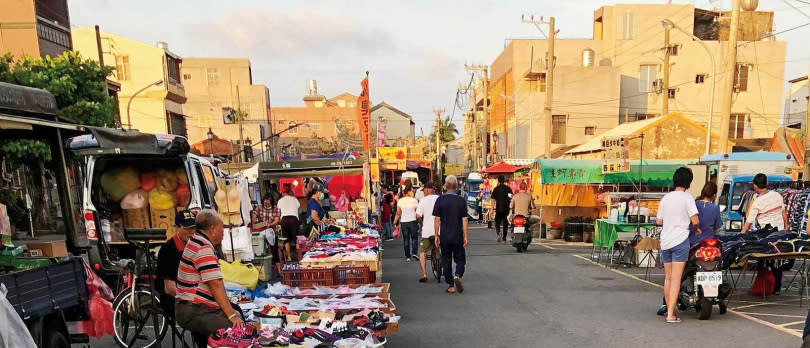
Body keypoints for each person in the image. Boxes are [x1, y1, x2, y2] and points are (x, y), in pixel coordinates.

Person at [175, 210, 244, 347]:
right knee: (235, 330)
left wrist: (232, 310)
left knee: (237, 311)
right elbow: (215, 284)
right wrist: (231, 314)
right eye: (221, 229)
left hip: (197, 307)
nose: (223, 234)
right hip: (193, 310)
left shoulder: (197, 240)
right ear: (212, 230)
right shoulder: (203, 247)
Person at [656, 167, 700, 323]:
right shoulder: (687, 198)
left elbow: (659, 221)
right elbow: (695, 221)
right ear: (688, 182)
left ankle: (669, 310)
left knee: (668, 278)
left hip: (665, 241)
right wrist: (696, 228)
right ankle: (670, 315)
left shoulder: (666, 198)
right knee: (676, 279)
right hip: (680, 241)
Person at [741, 173, 791, 295]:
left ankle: (765, 286)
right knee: (777, 259)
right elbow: (783, 211)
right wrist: (786, 226)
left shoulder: (757, 201)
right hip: (780, 233)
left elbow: (749, 221)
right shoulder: (777, 195)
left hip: (767, 235)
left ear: (755, 186)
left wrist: (742, 234)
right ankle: (776, 287)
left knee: (764, 260)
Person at [156, 210, 197, 322]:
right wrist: (194, 299)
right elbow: (170, 289)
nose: (192, 232)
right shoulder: (168, 250)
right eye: (188, 228)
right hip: (174, 299)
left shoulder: (195, 246)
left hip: (193, 293)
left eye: (194, 228)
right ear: (176, 228)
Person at [433, 175, 469, 294]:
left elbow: (437, 219)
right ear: (456, 186)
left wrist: (436, 235)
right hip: (457, 235)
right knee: (460, 259)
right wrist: (465, 236)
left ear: (445, 186)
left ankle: (450, 285)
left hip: (445, 235)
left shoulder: (440, 200)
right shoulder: (461, 201)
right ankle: (457, 275)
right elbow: (464, 220)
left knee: (446, 260)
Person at [416, 182, 439, 282]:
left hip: (427, 231)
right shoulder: (439, 198)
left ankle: (424, 274)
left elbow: (417, 216)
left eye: (424, 190)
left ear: (427, 190)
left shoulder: (423, 201)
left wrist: (421, 225)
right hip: (440, 230)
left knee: (422, 252)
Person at [252, 195, 281, 274]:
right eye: (265, 203)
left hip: (272, 231)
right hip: (261, 231)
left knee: (274, 251)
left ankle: (279, 270)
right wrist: (255, 222)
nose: (266, 204)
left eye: (268, 203)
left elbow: (277, 220)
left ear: (271, 202)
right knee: (260, 250)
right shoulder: (259, 208)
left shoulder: (276, 209)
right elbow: (254, 216)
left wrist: (270, 224)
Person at [394, 184, 419, 262]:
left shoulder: (400, 201)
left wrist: (395, 221)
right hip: (413, 221)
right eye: (411, 191)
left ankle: (408, 256)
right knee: (414, 238)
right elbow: (417, 212)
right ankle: (414, 253)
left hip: (404, 222)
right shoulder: (414, 200)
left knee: (406, 239)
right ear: (409, 191)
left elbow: (398, 213)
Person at [277, 185, 301, 262]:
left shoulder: (280, 201)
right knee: (296, 238)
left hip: (284, 220)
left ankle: (289, 257)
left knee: (286, 239)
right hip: (294, 219)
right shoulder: (294, 199)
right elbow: (298, 208)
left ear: (283, 193)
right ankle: (299, 257)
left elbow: (278, 211)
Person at [490, 175, 512, 242]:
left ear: (498, 181)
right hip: (506, 209)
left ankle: (498, 233)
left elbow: (493, 199)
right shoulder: (508, 189)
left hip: (499, 208)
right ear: (504, 180)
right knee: (505, 223)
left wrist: (491, 209)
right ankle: (504, 237)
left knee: (497, 223)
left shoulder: (496, 189)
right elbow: (511, 197)